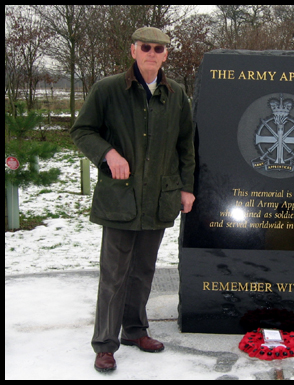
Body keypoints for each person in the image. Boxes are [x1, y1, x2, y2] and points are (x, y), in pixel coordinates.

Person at [70, 27, 195, 373]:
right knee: (114, 273)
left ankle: (135, 330)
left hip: (158, 198)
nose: (152, 53)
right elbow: (82, 130)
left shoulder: (177, 94)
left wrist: (187, 187)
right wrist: (108, 153)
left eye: (159, 48)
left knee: (143, 270)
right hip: (120, 199)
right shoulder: (108, 89)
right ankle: (105, 345)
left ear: (166, 54)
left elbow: (186, 146)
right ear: (133, 50)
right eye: (145, 47)